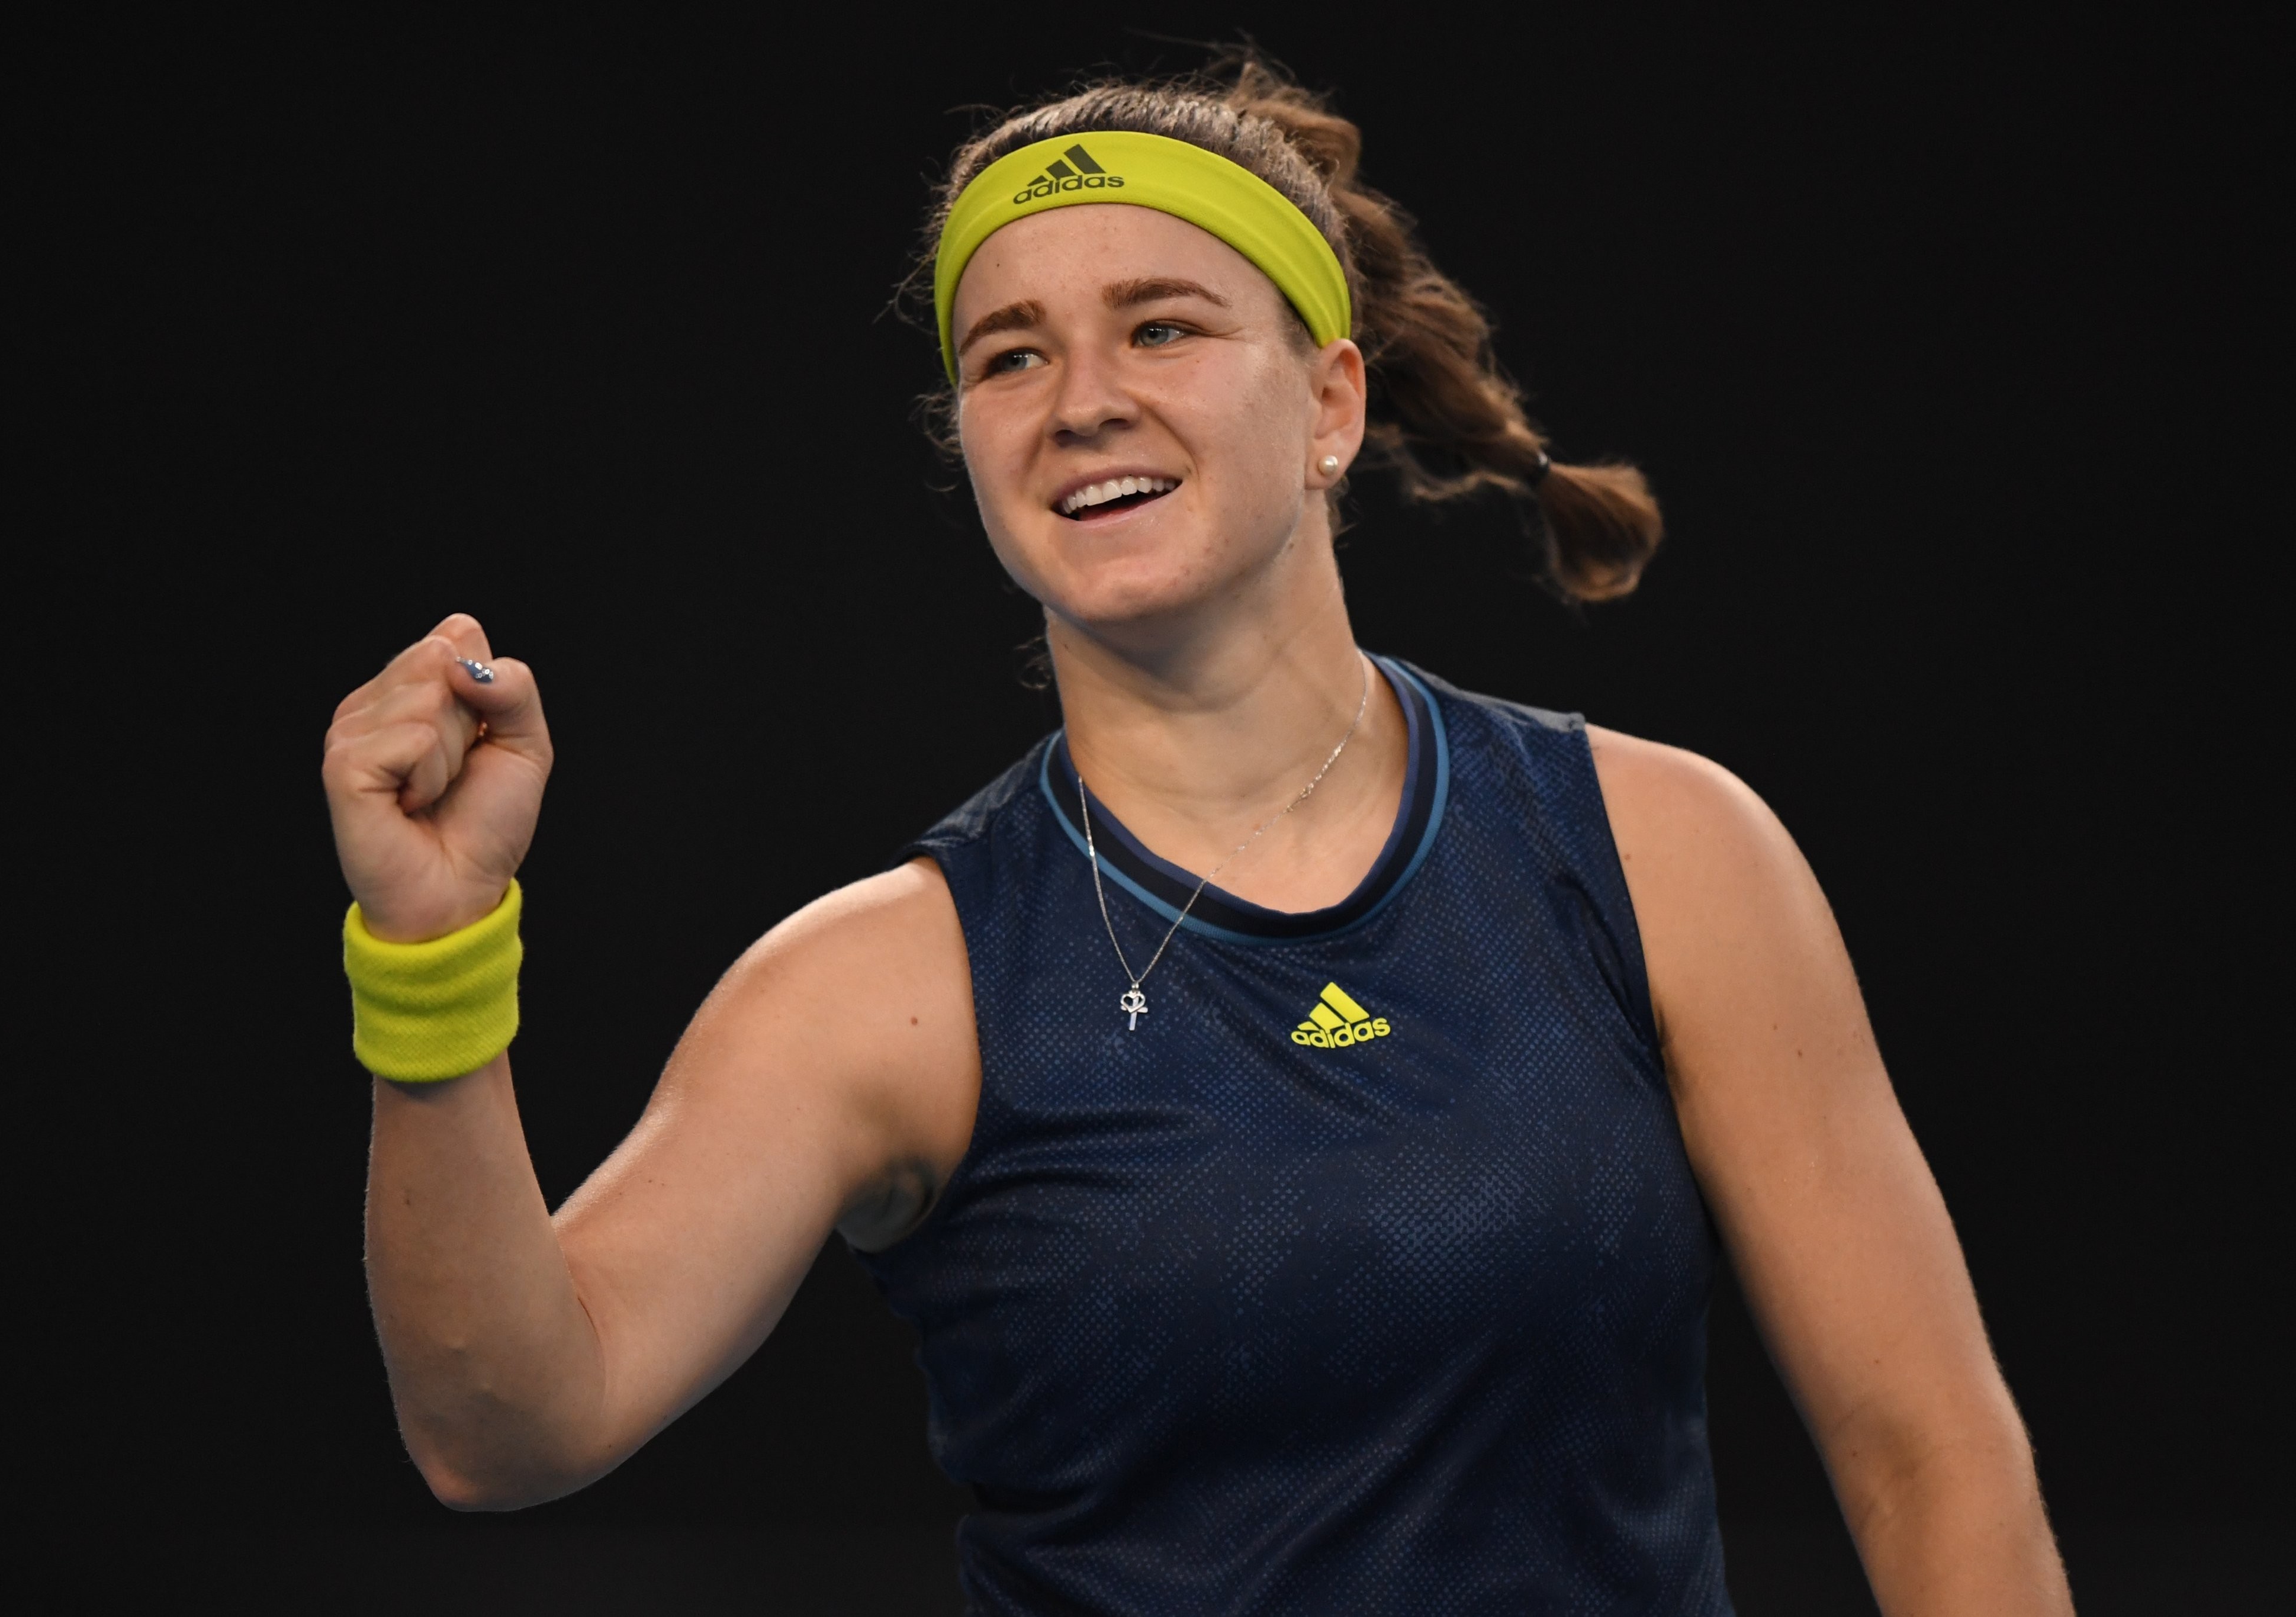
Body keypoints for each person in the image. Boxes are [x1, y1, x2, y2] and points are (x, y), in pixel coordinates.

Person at [324, 59, 2072, 1615]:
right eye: (1012, 355)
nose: (1081, 397)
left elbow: (1930, 1456)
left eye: (1161, 327)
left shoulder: (1667, 851)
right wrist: (428, 954)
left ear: (1332, 406)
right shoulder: (877, 986)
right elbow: (505, 1427)